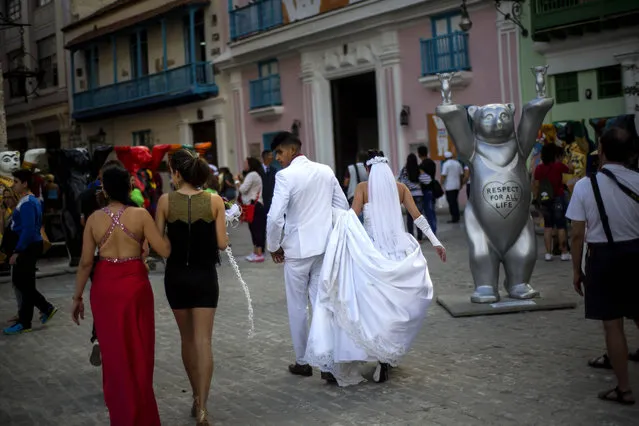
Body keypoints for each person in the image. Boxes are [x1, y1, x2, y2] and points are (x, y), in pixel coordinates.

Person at [305, 150, 446, 386]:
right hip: (398, 252)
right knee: (393, 307)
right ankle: (384, 360)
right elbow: (418, 217)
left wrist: (328, 214)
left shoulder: (362, 188)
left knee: (371, 307)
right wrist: (435, 241)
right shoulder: (400, 188)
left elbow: (351, 218)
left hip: (371, 253)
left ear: (368, 169)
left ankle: (370, 353)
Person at [71, 165, 171, 425]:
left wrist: (77, 297)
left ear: (104, 189)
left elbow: (84, 263)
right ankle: (143, 415)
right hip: (135, 286)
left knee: (114, 354)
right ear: (129, 186)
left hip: (105, 286)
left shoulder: (94, 219)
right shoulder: (140, 215)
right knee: (139, 349)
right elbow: (164, 250)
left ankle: (122, 416)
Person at [266, 131, 349, 380]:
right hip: (323, 248)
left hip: (297, 251)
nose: (277, 158)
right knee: (321, 303)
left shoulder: (285, 177)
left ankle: (303, 361)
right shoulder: (325, 170)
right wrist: (327, 229)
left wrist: (273, 246)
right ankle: (327, 364)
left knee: (297, 307)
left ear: (292, 150)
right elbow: (342, 206)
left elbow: (274, 217)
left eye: (279, 152)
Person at [566, 127, 639, 405]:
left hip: (604, 258)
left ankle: (624, 388)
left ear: (602, 151)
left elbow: (576, 233)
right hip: (636, 252)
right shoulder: (638, 180)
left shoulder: (586, 185)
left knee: (613, 325)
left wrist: (576, 270)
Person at [155, 149, 228, 426]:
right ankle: (203, 409)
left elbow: (158, 243)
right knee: (203, 342)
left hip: (175, 277)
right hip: (205, 277)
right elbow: (221, 243)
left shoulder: (164, 201)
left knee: (186, 340)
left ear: (176, 173)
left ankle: (196, 396)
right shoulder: (215, 200)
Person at [3, 170, 58, 335]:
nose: (14, 185)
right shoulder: (30, 200)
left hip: (27, 247)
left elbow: (27, 230)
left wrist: (17, 251)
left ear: (25, 183)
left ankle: (44, 308)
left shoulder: (27, 202)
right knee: (25, 284)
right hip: (30, 246)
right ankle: (25, 320)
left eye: (16, 181)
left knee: (22, 283)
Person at [534, 144, 573, 261]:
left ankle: (548, 253)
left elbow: (536, 184)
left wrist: (537, 198)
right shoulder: (558, 166)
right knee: (561, 226)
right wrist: (569, 160)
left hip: (545, 200)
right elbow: (571, 169)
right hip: (558, 198)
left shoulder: (539, 168)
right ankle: (564, 252)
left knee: (547, 226)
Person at [236, 157, 266, 263]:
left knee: (256, 230)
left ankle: (258, 254)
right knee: (255, 229)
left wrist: (237, 182)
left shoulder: (252, 174)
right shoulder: (255, 175)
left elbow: (243, 189)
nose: (244, 165)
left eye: (245, 163)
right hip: (255, 206)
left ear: (250, 164)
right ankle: (256, 252)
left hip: (254, 206)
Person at [398, 153, 432, 241]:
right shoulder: (418, 170)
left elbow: (401, 182)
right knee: (419, 217)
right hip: (419, 195)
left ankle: (412, 238)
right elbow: (428, 180)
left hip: (408, 196)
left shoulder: (404, 171)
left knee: (410, 217)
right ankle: (420, 238)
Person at [417, 145, 438, 233]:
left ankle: (432, 232)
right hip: (433, 189)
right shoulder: (432, 163)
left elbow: (423, 179)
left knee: (428, 212)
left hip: (425, 190)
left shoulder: (421, 165)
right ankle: (434, 229)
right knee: (432, 211)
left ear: (419, 154)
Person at [440, 151, 464, 223]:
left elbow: (443, 175)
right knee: (455, 201)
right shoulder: (457, 163)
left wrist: (441, 184)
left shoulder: (445, 164)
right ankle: (456, 216)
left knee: (451, 202)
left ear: (445, 157)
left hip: (449, 186)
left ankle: (454, 217)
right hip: (456, 185)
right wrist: (461, 184)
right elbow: (461, 175)